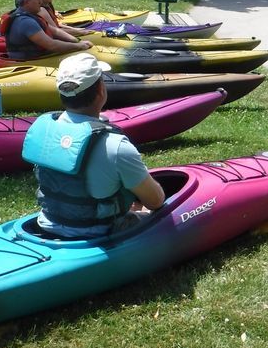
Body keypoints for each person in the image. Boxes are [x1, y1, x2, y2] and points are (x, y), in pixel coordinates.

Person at [24, 53, 166, 238]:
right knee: (153, 210)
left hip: (48, 223)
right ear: (101, 90)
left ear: (62, 93)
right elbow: (156, 201)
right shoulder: (116, 147)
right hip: (97, 233)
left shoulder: (44, 131)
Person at [2, 0, 93, 60]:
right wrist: (79, 46)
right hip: (31, 60)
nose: (40, 2)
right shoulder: (25, 22)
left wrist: (77, 41)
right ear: (27, 2)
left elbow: (55, 31)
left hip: (39, 56)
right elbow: (52, 45)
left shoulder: (28, 15)